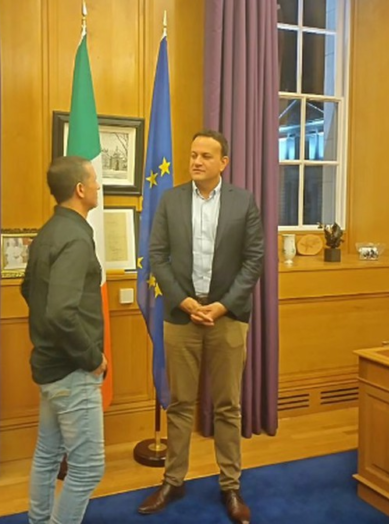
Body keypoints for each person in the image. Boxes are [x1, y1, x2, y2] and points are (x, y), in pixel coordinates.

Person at [137, 130, 264, 524]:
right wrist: (184, 301)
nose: (196, 161)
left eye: (206, 156)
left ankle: (230, 485)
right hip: (182, 316)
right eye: (193, 154)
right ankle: (173, 481)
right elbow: (157, 255)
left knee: (228, 405)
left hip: (228, 317)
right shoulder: (171, 200)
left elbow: (254, 260)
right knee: (180, 404)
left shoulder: (243, 202)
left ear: (223, 162)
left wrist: (222, 307)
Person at [21, 155, 108, 524]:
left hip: (50, 365)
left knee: (47, 455)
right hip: (72, 370)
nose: (99, 186)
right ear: (80, 189)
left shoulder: (49, 231)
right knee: (88, 468)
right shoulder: (74, 238)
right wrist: (92, 358)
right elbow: (60, 312)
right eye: (94, 180)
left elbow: (29, 290)